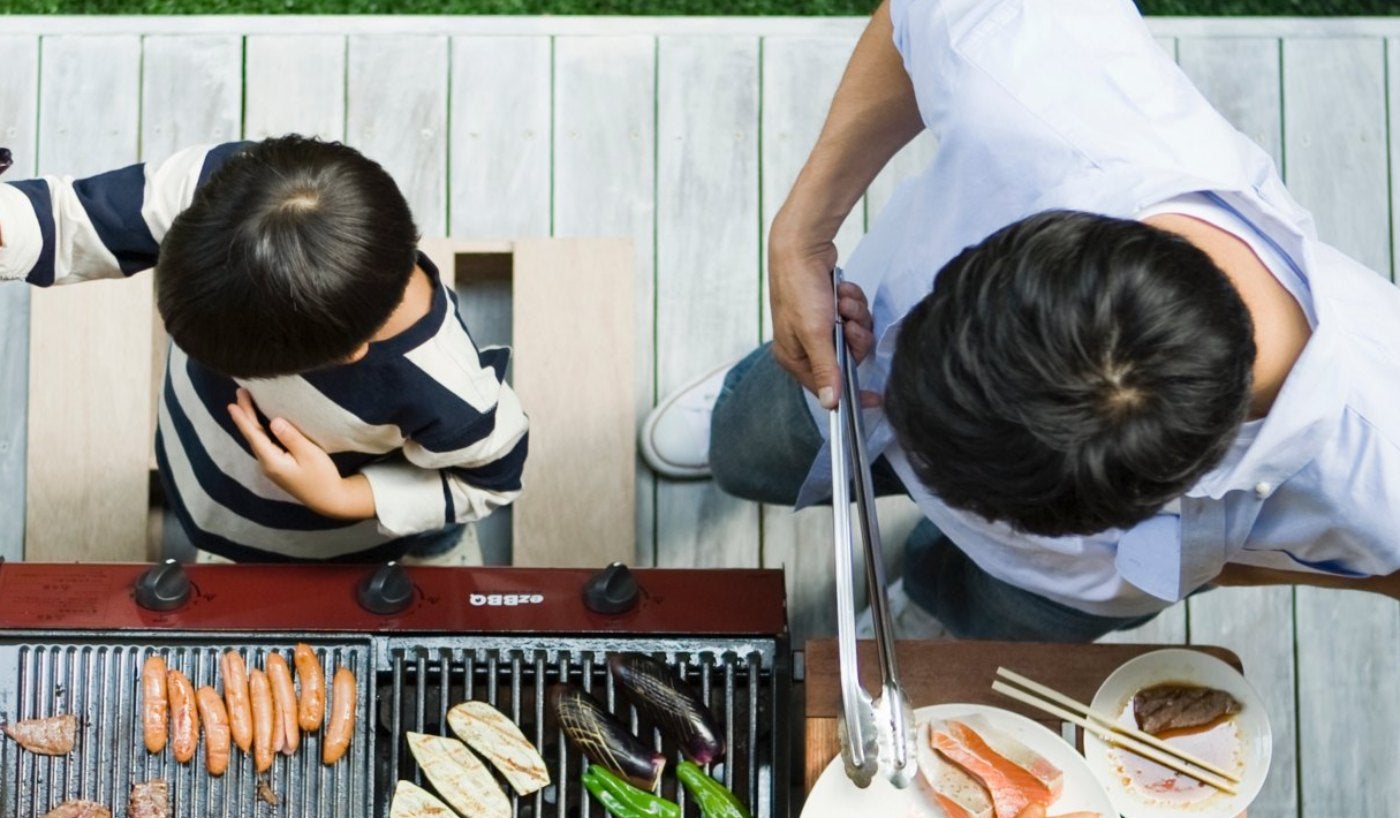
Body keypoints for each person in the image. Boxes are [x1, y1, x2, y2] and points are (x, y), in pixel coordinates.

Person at [640, 0, 1400, 640]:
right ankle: (746, 416)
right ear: (1037, 240)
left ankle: (929, 607)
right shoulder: (1057, 90)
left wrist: (1224, 568)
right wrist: (801, 236)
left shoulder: (1381, 463)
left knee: (975, 617)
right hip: (856, 350)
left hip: (1070, 590)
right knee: (755, 443)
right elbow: (918, 12)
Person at [0, 136, 527, 563]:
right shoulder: (227, 191)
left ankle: (435, 544)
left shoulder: (448, 393)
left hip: (316, 524)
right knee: (206, 510)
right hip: (203, 453)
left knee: (423, 533)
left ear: (345, 356)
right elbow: (74, 217)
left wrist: (340, 498)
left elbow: (489, 481)